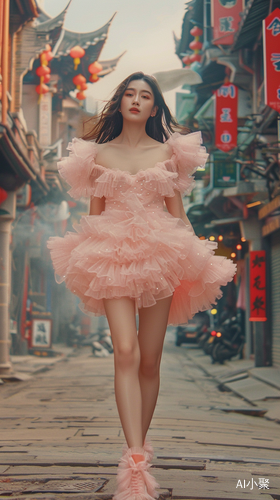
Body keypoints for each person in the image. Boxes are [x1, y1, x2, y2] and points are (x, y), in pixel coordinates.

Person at [47, 71, 236, 499]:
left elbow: (178, 213)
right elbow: (95, 214)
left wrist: (197, 258)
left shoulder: (169, 152)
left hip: (161, 253)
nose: (136, 100)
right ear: (120, 103)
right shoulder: (97, 154)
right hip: (111, 254)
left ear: (154, 106)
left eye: (145, 95)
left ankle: (141, 446)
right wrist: (87, 254)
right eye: (129, 94)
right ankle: (133, 461)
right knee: (126, 351)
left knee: (150, 360)